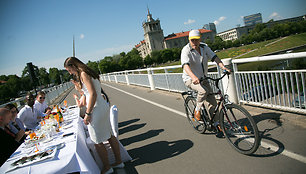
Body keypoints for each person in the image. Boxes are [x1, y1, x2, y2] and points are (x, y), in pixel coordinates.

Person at [64, 57, 123, 174]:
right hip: (102, 106)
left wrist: (88, 113)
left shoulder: (83, 74)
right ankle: (119, 161)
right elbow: (89, 92)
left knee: (97, 141)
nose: (70, 73)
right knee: (110, 135)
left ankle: (107, 167)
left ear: (74, 66)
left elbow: (93, 94)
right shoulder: (88, 72)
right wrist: (79, 89)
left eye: (69, 70)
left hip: (96, 109)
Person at [181, 30, 230, 126]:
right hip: (190, 79)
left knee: (213, 102)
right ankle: (197, 110)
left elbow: (214, 57)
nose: (194, 42)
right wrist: (193, 77)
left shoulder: (204, 47)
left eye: (197, 40)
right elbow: (185, 66)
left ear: (200, 39)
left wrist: (223, 67)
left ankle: (216, 123)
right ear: (189, 40)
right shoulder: (186, 50)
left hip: (203, 78)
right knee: (203, 91)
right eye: (192, 40)